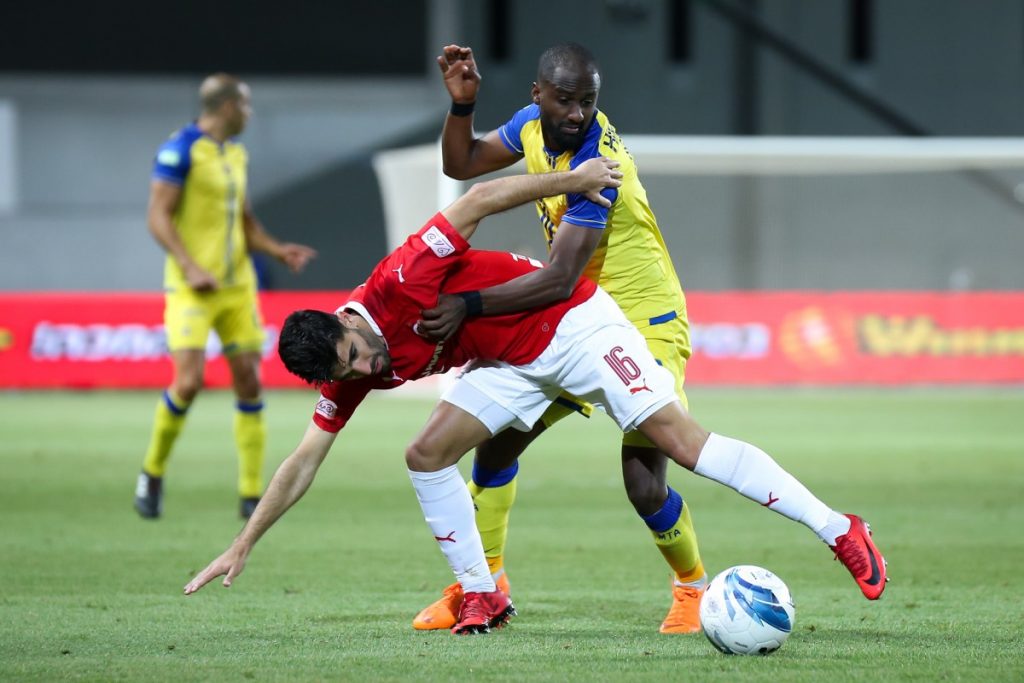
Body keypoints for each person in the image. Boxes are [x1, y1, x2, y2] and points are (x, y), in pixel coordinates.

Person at [182, 159, 887, 636]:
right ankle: (482, 591)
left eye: (359, 352)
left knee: (682, 446)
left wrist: (574, 180)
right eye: (353, 369)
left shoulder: (400, 280)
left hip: (573, 324)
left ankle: (839, 529)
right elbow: (304, 459)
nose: (370, 367)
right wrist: (245, 542)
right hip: (508, 364)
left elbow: (478, 200)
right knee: (425, 453)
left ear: (346, 320)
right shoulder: (347, 368)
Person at [412, 42, 707, 633]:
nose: (577, 113)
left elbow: (558, 279)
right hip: (576, 316)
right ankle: (485, 584)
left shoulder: (600, 161)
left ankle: (692, 587)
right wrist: (463, 107)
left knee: (644, 483)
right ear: (537, 95)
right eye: (566, 100)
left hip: (642, 320)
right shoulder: (530, 125)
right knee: (496, 445)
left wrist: (468, 306)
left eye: (588, 101)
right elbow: (462, 163)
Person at [134, 73, 317, 520]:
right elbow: (157, 216)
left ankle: (251, 494)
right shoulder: (180, 150)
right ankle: (152, 473)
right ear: (229, 106)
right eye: (247, 105)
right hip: (192, 288)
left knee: (250, 381)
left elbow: (244, 220)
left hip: (237, 288)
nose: (250, 114)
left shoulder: (235, 153)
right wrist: (190, 266)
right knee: (188, 382)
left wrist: (276, 249)